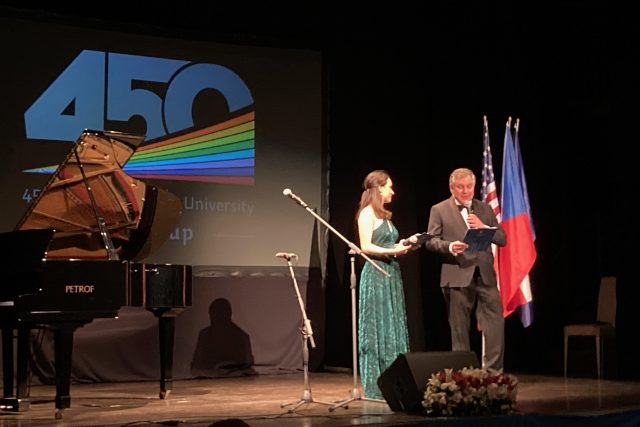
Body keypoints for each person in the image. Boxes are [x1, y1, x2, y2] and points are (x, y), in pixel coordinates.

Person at [425, 167, 507, 372]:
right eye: (460, 187)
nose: (465, 191)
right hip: (457, 274)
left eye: (469, 187)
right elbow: (431, 241)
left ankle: (493, 374)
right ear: (452, 188)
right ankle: (464, 377)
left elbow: (502, 238)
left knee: (495, 326)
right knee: (460, 330)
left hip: (485, 275)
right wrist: (450, 246)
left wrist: (484, 227)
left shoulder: (485, 209)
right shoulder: (439, 209)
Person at [356, 169, 412, 399]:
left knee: (393, 324)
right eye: (389, 186)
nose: (393, 190)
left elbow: (388, 243)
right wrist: (393, 249)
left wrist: (406, 243)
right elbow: (365, 246)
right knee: (378, 326)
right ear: (379, 188)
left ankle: (399, 380)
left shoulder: (384, 216)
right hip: (376, 275)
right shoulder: (367, 214)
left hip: (391, 272)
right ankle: (378, 383)